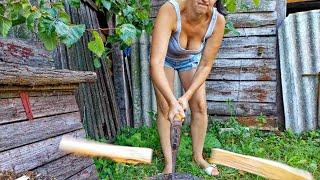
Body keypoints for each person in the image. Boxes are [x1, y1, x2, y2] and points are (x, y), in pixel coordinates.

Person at [149, 0, 226, 176]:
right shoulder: (170, 10)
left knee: (199, 106)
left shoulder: (217, 21)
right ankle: (169, 165)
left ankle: (198, 157)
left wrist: (185, 97)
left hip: (190, 59)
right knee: (165, 108)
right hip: (164, 59)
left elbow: (206, 64)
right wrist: (172, 101)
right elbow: (156, 63)